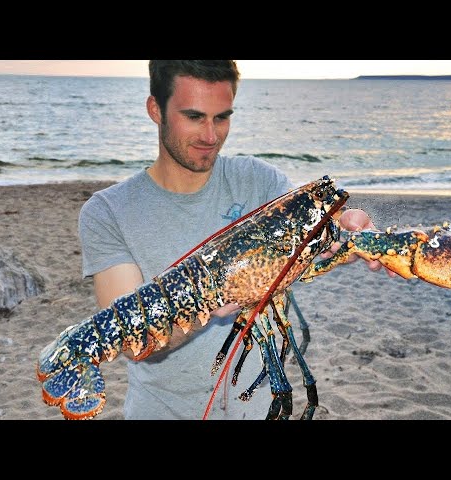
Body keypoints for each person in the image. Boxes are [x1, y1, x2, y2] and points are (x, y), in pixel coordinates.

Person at [78, 60, 390, 420]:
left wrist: (345, 232)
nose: (211, 136)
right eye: (194, 116)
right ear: (155, 110)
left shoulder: (261, 182)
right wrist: (216, 298)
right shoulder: (107, 211)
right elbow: (132, 342)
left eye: (222, 117)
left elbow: (311, 237)